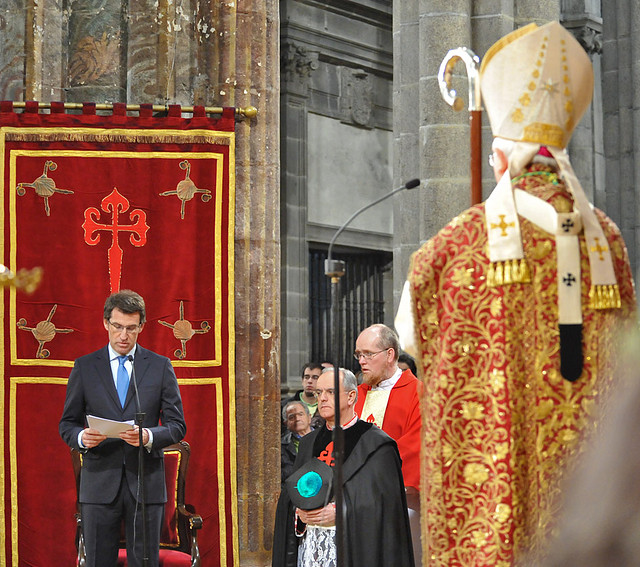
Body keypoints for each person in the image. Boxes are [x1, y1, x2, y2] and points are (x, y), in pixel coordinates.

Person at [395, 21, 637, 566]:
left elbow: (407, 336)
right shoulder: (609, 243)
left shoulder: (452, 245)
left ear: (503, 160)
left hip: (494, 503)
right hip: (586, 500)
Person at [59, 290, 187, 567]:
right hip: (98, 484)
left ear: (141, 326)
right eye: (117, 327)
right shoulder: (85, 367)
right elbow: (67, 424)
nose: (123, 336)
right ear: (106, 323)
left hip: (145, 483)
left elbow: (177, 426)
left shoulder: (159, 366)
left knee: (144, 562)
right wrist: (82, 437)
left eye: (131, 328)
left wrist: (149, 435)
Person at [272, 367, 415, 567]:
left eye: (330, 392)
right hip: (311, 547)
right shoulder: (309, 443)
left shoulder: (377, 444)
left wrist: (342, 511)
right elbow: (292, 494)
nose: (322, 398)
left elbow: (387, 505)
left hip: (356, 549)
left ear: (351, 397)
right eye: (319, 393)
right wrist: (298, 512)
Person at [353, 323, 422, 563]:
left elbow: (415, 445)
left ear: (390, 354)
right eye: (358, 354)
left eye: (368, 354)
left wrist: (370, 478)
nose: (361, 361)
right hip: (353, 498)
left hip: (399, 497)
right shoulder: (356, 394)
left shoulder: (418, 393)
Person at [281, 361, 325, 432]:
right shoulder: (284, 405)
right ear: (302, 380)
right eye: (306, 377)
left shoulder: (327, 405)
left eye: (315, 377)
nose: (310, 381)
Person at [281, 400, 313, 485]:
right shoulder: (280, 446)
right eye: (292, 417)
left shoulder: (324, 438)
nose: (297, 419)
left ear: (309, 418)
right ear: (286, 423)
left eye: (300, 414)